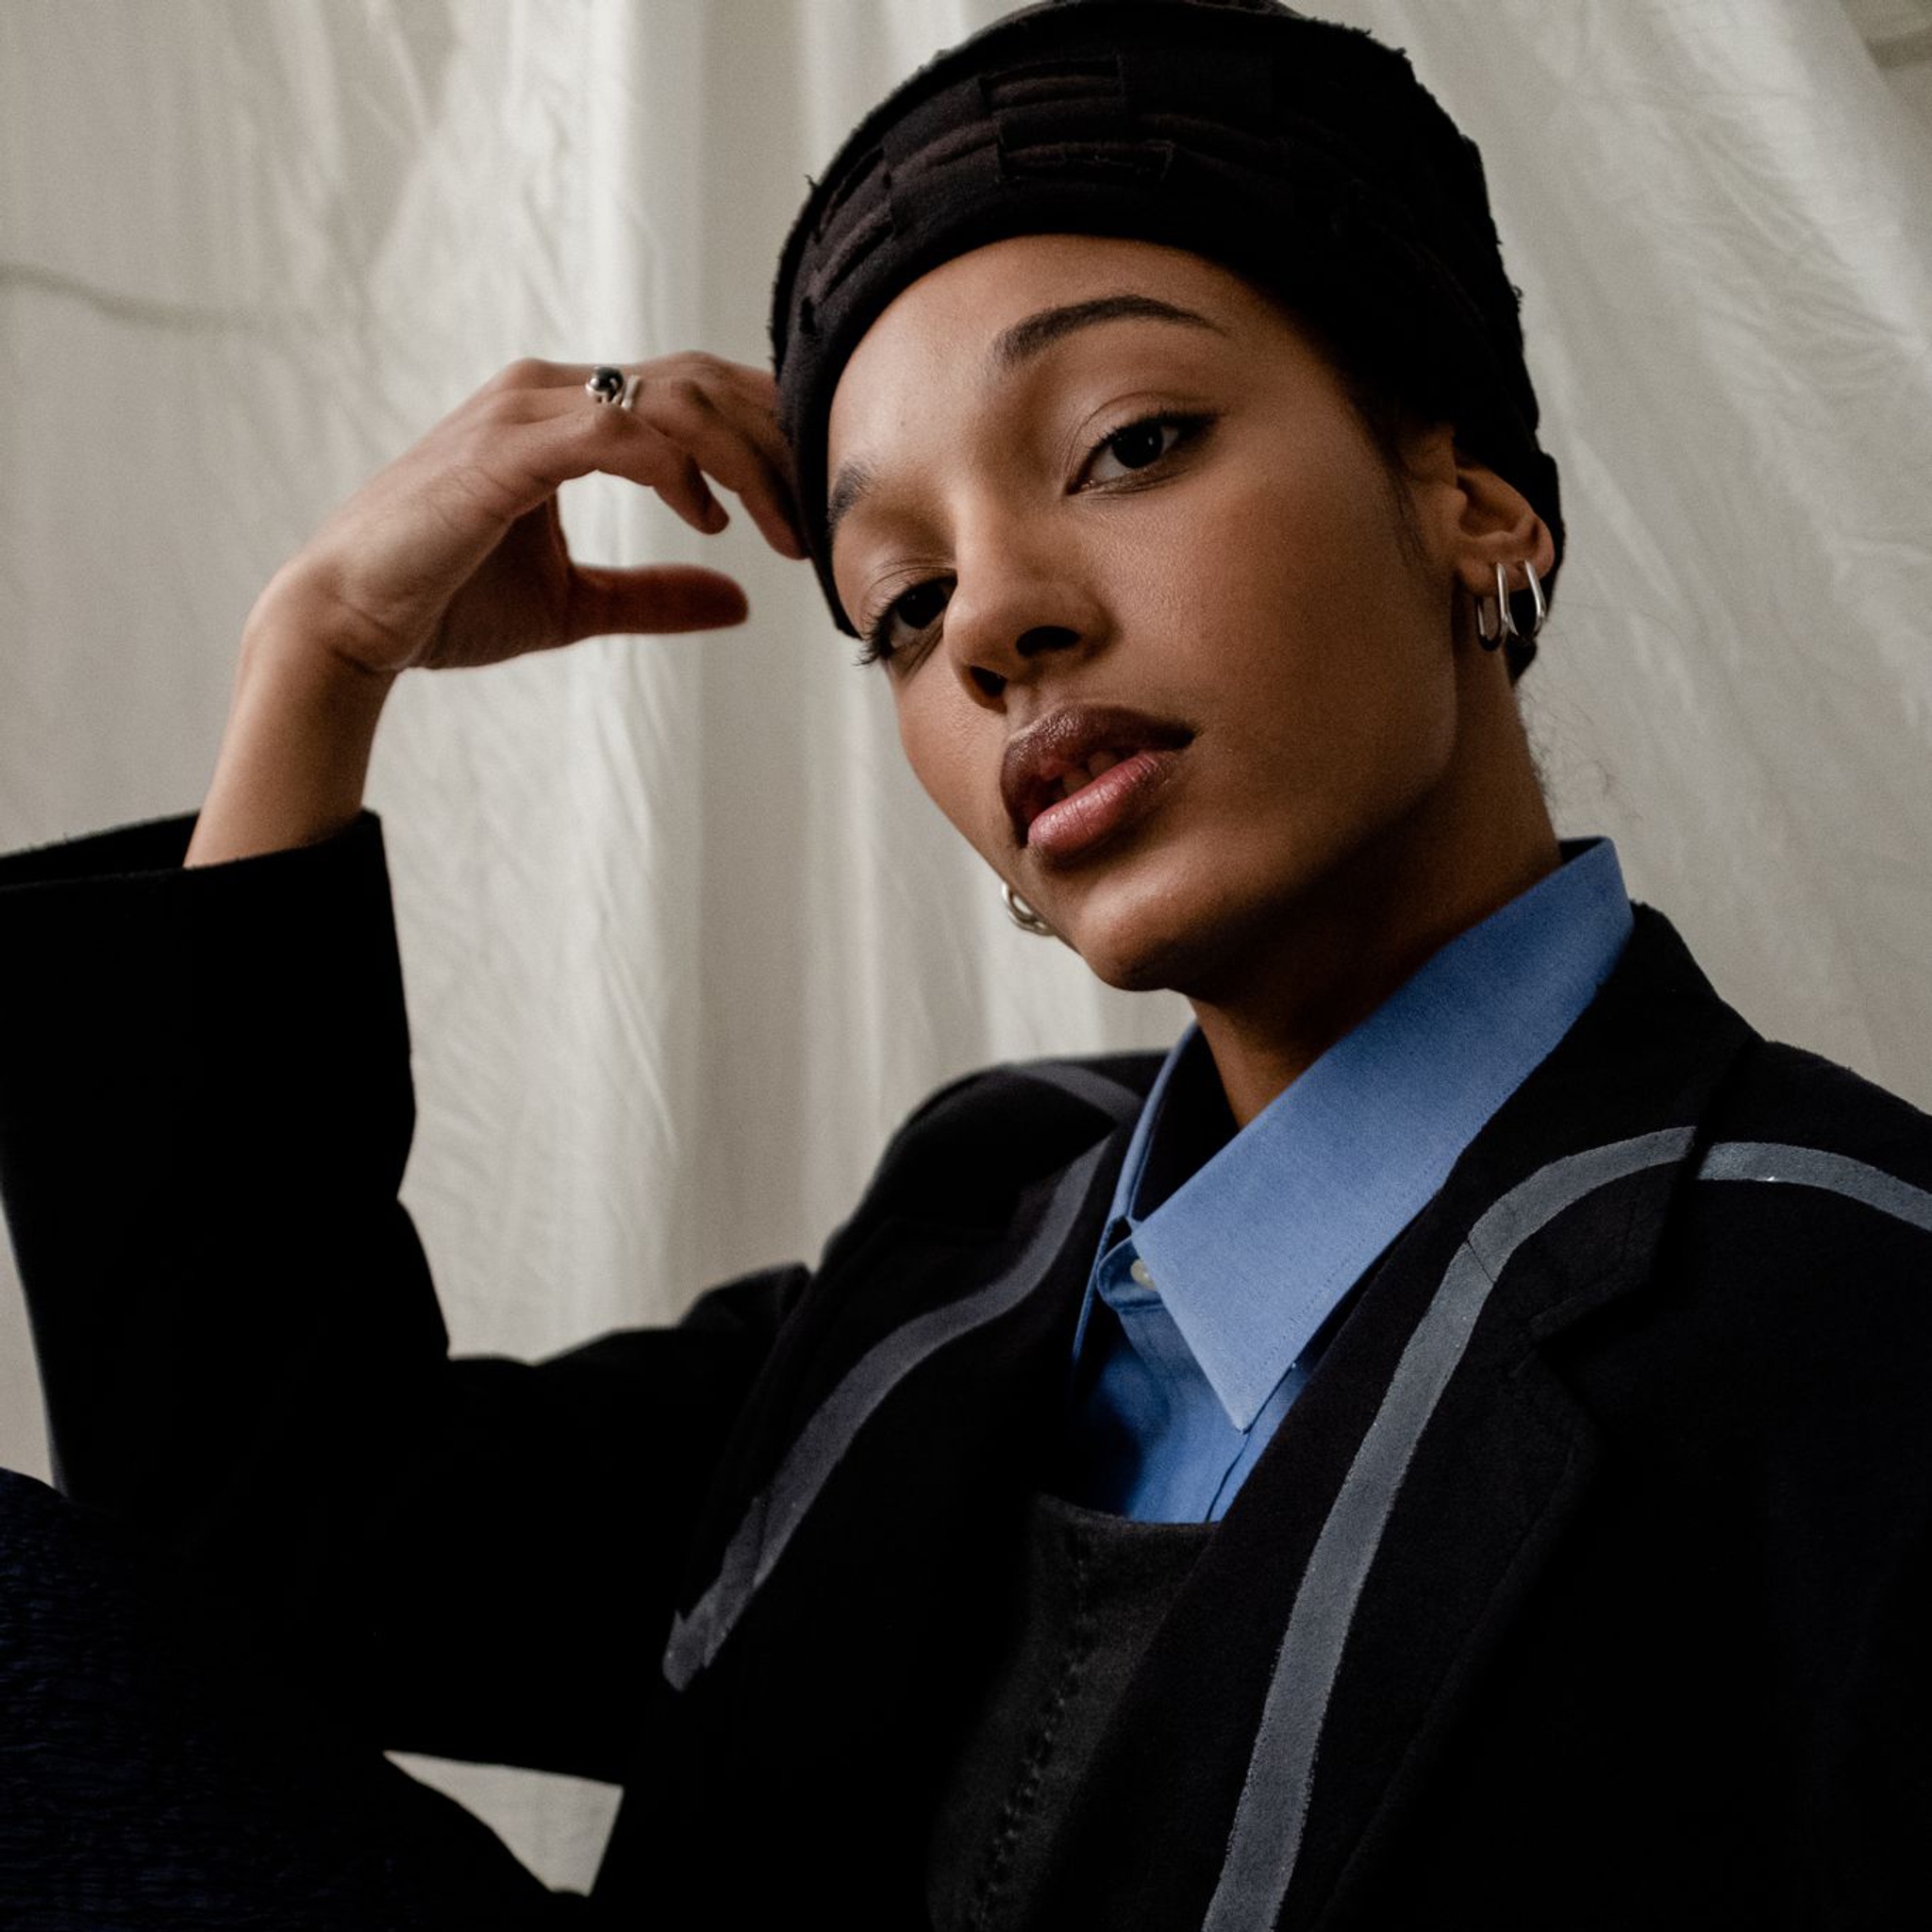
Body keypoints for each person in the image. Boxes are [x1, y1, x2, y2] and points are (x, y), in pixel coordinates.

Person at [2, 0, 1928, 1925]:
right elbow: (269, 1549)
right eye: (900, 604)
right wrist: (321, 649)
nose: (994, 619)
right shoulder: (982, 1224)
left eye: (1127, 442)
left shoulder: (1843, 1312)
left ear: (1471, 495)